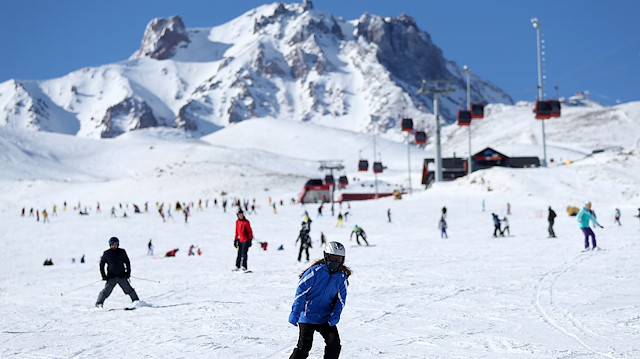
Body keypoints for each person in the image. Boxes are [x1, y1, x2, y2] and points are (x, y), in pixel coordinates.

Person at [288, 242, 351, 359]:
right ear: (326, 256)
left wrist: (335, 314)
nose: (335, 262)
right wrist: (295, 312)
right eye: (333, 258)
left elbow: (341, 300)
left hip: (325, 318)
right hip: (307, 316)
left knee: (334, 344)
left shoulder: (341, 277)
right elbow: (300, 293)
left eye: (339, 259)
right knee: (304, 347)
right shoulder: (315, 272)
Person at [95, 237, 140, 308]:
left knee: (129, 289)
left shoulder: (122, 252)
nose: (114, 245)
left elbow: (127, 262)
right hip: (111, 277)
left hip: (121, 276)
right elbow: (102, 265)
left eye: (115, 244)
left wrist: (128, 273)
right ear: (110, 245)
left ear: (118, 244)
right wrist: (103, 275)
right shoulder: (107, 253)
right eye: (112, 244)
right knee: (106, 291)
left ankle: (136, 302)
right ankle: (99, 304)